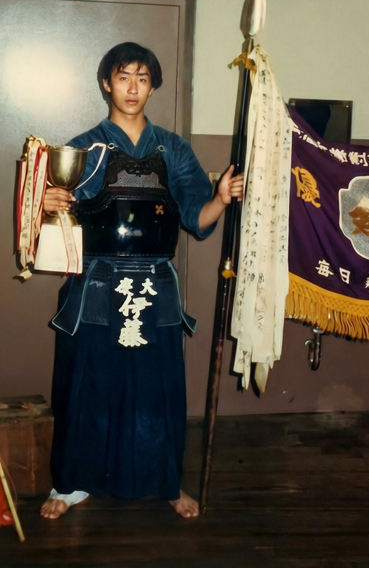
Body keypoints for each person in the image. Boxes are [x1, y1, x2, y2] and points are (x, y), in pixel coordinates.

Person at [40, 42, 243, 519]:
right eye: (123, 76)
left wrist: (220, 198)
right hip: (96, 284)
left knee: (158, 390)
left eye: (143, 78)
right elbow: (54, 220)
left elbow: (197, 219)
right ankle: (70, 485)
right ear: (106, 83)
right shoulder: (84, 147)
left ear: (153, 87)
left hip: (154, 286)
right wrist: (48, 204)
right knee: (86, 388)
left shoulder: (174, 149)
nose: (133, 87)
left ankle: (166, 482)